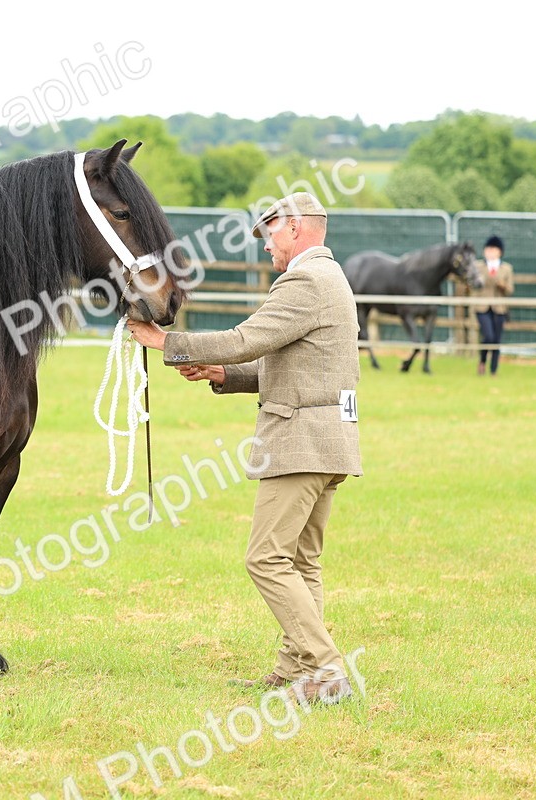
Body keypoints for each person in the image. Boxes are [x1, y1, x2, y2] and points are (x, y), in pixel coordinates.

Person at [127, 192, 361, 705]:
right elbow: (297, 365)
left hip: (301, 443)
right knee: (301, 561)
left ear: (295, 227)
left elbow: (244, 339)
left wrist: (165, 342)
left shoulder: (304, 280)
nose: (266, 246)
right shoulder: (331, 277)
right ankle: (294, 669)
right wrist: (223, 374)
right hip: (329, 441)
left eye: (270, 233)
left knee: (266, 559)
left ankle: (326, 672)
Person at [475, 235, 515, 376]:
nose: (490, 252)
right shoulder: (478, 266)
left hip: (499, 308)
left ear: (499, 252)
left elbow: (510, 289)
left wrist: (502, 285)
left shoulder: (506, 268)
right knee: (489, 337)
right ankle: (482, 361)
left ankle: (493, 370)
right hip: (482, 307)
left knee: (496, 340)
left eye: (493, 249)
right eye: (488, 249)